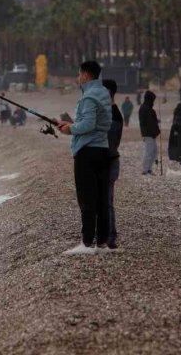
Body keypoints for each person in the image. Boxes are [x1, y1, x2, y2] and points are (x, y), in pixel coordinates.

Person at [58, 60, 113, 254]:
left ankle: (87, 243)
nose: (77, 77)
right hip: (102, 150)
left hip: (87, 152)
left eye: (79, 74)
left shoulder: (89, 97)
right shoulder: (104, 93)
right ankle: (102, 243)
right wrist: (69, 124)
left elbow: (88, 124)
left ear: (86, 75)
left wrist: (69, 129)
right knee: (101, 199)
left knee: (87, 198)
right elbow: (97, 122)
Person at [102, 78, 122, 250]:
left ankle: (109, 236)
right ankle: (106, 234)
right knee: (105, 200)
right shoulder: (112, 112)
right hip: (111, 161)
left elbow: (107, 142)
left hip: (108, 162)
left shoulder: (112, 115)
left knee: (106, 201)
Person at [138, 90, 160, 175]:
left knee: (154, 151)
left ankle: (149, 169)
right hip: (148, 133)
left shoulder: (147, 108)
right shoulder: (145, 108)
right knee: (149, 151)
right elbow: (148, 122)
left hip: (151, 133)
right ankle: (145, 170)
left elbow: (151, 121)